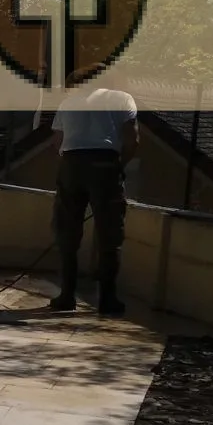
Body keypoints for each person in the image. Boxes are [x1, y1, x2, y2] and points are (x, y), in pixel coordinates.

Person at [47, 83, 138, 314]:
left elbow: (57, 141)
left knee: (67, 232)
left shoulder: (68, 103)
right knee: (110, 235)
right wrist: (118, 167)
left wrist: (71, 168)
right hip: (105, 164)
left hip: (71, 164)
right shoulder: (122, 98)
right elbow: (132, 140)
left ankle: (67, 296)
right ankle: (108, 300)